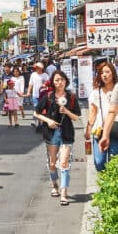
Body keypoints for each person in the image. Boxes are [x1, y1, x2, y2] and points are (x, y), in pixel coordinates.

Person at [34, 70, 81, 206]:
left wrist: (66, 111)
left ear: (66, 81)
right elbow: (36, 113)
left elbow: (77, 117)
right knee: (53, 163)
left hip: (66, 132)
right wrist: (48, 121)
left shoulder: (71, 97)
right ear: (53, 82)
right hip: (51, 133)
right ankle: (55, 184)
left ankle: (64, 192)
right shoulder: (48, 97)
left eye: (61, 80)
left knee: (64, 163)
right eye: (56, 80)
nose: (59, 82)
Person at [85, 61, 118, 172]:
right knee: (99, 161)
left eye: (107, 72)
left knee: (114, 160)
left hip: (116, 129)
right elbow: (93, 112)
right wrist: (88, 129)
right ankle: (104, 181)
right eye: (102, 73)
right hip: (99, 130)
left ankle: (110, 185)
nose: (104, 75)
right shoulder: (96, 93)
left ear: (113, 73)